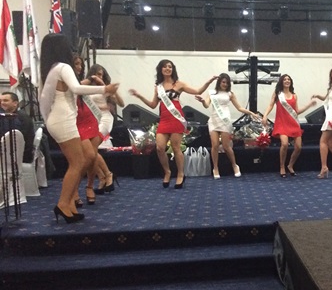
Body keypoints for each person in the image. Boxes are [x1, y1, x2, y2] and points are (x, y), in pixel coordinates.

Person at [38, 33, 119, 223]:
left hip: (58, 119)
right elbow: (76, 88)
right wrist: (104, 89)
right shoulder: (63, 67)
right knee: (77, 163)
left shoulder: (50, 69)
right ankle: (63, 204)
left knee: (78, 161)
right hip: (64, 120)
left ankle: (69, 204)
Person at [130, 60, 215, 189]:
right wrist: (139, 96)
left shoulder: (179, 84)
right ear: (161, 69)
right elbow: (153, 105)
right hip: (164, 120)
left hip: (176, 119)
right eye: (165, 67)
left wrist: (209, 82)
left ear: (173, 69)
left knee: (176, 148)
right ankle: (167, 172)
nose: (167, 69)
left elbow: (198, 90)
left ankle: (180, 174)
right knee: (159, 148)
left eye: (170, 67)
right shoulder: (158, 87)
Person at [195, 73, 259, 179]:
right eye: (223, 82)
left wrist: (251, 113)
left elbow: (239, 108)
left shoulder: (230, 94)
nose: (225, 84)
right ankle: (215, 168)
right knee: (215, 145)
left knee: (226, 146)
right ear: (219, 82)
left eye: (227, 83)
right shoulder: (212, 93)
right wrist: (202, 101)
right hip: (214, 121)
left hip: (225, 120)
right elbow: (206, 105)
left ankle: (234, 165)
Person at [77, 64, 124, 204]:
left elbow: (121, 103)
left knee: (91, 151)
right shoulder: (85, 88)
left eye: (102, 74)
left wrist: (108, 88)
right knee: (90, 152)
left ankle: (106, 175)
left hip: (104, 119)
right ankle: (104, 176)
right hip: (90, 121)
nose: (100, 76)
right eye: (97, 74)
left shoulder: (105, 87)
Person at [261, 74, 316, 177]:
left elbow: (296, 111)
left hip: (293, 123)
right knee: (285, 144)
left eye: (288, 79)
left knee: (298, 147)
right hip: (282, 123)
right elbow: (271, 105)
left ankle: (290, 165)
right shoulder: (278, 94)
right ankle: (282, 167)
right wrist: (265, 115)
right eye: (285, 79)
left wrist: (309, 105)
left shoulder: (294, 95)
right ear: (281, 82)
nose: (287, 81)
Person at [0, 91, 35, 164]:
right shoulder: (5, 116)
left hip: (18, 156)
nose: (2, 103)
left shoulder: (21, 118)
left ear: (15, 103)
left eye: (5, 100)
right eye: (1, 101)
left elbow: (16, 140)